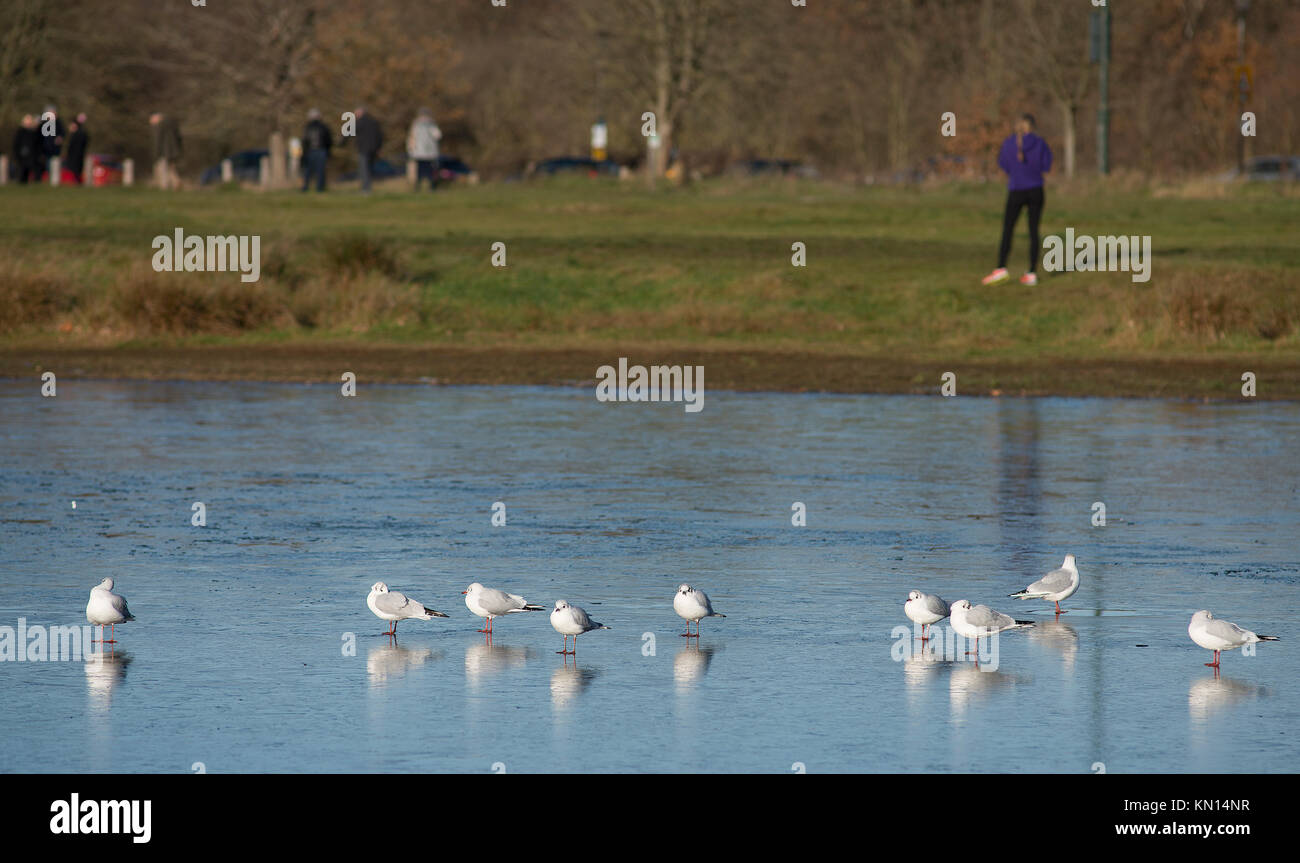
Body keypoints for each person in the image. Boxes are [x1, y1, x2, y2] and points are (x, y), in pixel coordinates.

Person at [982, 113, 1053, 286]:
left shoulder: (1009, 144)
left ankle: (1001, 268)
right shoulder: (1040, 143)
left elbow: (1004, 165)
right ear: (1032, 127)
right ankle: (1032, 273)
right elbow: (1047, 165)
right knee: (1033, 231)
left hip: (1016, 190)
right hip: (1036, 190)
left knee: (1008, 229)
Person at [406, 108, 442, 192]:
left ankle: (418, 188)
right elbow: (438, 135)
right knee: (430, 170)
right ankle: (431, 187)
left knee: (420, 171)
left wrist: (411, 150)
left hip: (418, 152)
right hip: (430, 152)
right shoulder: (431, 124)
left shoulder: (415, 125)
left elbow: (411, 138)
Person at [150, 112, 183, 189]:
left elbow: (158, 140)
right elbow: (179, 138)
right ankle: (176, 181)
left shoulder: (159, 126)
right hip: (174, 150)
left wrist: (156, 153)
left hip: (165, 151)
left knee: (163, 168)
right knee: (171, 167)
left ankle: (164, 185)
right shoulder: (173, 125)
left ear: (156, 118)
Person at [301, 108, 331, 192]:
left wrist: (304, 152)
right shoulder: (324, 127)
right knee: (320, 170)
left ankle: (305, 187)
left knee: (308, 170)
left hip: (312, 151)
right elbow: (328, 140)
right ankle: (319, 188)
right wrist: (328, 151)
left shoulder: (307, 127)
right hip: (321, 150)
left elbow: (304, 140)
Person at [353, 106, 382, 193]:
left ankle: (366, 189)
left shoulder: (359, 122)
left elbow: (349, 132)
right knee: (369, 169)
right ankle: (367, 187)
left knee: (364, 169)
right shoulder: (374, 122)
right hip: (373, 149)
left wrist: (341, 143)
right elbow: (380, 136)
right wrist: (378, 147)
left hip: (363, 149)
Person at [11, 114, 42, 183]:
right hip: (22, 155)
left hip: (33, 155)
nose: (29, 122)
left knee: (36, 170)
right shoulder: (20, 132)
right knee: (22, 171)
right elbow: (16, 144)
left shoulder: (34, 132)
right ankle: (22, 182)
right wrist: (18, 153)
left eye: (30, 120)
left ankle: (37, 183)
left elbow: (38, 142)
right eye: (27, 120)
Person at [39, 104, 65, 178]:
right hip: (45, 149)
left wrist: (60, 138)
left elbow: (62, 133)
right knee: (47, 165)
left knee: (55, 164)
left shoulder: (58, 123)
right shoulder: (43, 124)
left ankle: (54, 180)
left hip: (55, 149)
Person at [66, 113, 89, 182]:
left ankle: (77, 181)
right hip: (78, 154)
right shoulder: (81, 133)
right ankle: (77, 181)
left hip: (76, 155)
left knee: (76, 169)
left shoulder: (78, 134)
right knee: (77, 169)